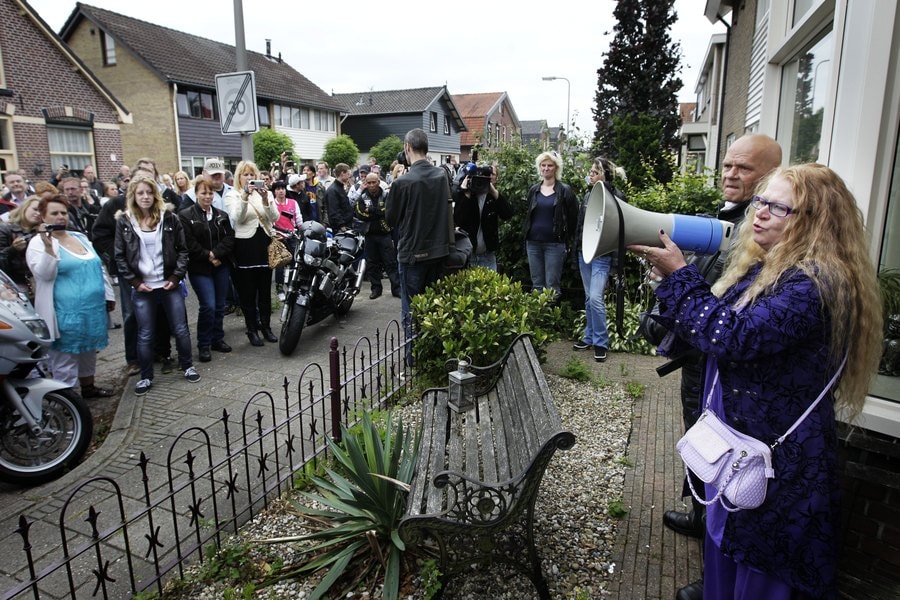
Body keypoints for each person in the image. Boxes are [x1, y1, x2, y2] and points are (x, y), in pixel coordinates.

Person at [631, 163, 882, 599]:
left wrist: (679, 277)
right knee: (730, 548)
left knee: (760, 567)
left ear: (815, 221)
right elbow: (707, 327)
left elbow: (731, 336)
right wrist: (671, 283)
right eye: (762, 202)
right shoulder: (767, 268)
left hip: (777, 468)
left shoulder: (814, 283)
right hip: (743, 450)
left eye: (779, 207)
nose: (760, 213)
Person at [640, 133, 782, 600]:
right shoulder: (724, 217)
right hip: (702, 355)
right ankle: (703, 517)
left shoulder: (763, 231)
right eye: (727, 165)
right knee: (701, 436)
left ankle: (714, 556)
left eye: (743, 169)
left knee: (722, 449)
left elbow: (730, 303)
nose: (730, 174)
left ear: (771, 178)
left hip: (722, 359)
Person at [114, 176, 199, 396]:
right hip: (143, 288)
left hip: (169, 284)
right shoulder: (125, 221)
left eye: (149, 192)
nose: (145, 197)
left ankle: (187, 365)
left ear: (155, 195)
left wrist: (176, 276)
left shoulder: (169, 218)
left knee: (180, 328)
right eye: (140, 193)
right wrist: (135, 282)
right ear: (133, 195)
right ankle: (146, 376)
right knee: (145, 333)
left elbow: (182, 250)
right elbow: (120, 256)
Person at [26, 195, 113, 398]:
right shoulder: (37, 243)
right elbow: (44, 275)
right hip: (64, 312)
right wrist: (49, 248)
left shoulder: (80, 237)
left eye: (63, 213)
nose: (60, 217)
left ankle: (89, 387)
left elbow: (97, 267)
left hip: (91, 309)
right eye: (54, 213)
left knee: (88, 351)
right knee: (66, 355)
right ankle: (66, 399)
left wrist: (109, 295)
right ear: (43, 217)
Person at [385, 128, 450, 360]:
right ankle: (433, 355)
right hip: (438, 251)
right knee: (434, 306)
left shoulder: (403, 182)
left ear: (407, 148)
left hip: (413, 253)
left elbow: (390, 219)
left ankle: (414, 359)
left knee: (411, 309)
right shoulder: (442, 176)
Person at [573, 158, 624, 363]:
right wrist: (576, 249)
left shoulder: (617, 197)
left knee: (595, 298)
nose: (590, 175)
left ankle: (601, 342)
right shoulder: (587, 195)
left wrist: (616, 263)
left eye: (595, 172)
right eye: (591, 171)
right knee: (589, 297)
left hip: (602, 254)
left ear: (604, 175)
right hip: (584, 253)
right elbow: (581, 225)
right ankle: (589, 337)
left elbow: (620, 232)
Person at [179, 178, 235, 363]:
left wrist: (216, 254)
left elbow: (229, 239)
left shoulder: (222, 215)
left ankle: (216, 338)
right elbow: (189, 243)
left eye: (210, 193)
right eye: (203, 193)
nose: (207, 196)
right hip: (200, 268)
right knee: (208, 305)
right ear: (196, 194)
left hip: (221, 265)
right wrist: (208, 256)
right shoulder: (186, 216)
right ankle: (203, 343)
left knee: (220, 306)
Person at [224, 160, 279, 347]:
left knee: (264, 291)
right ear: (239, 177)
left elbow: (274, 217)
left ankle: (266, 327)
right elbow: (237, 217)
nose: (249, 177)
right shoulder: (233, 195)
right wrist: (245, 196)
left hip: (264, 243)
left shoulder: (267, 193)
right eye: (245, 174)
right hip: (244, 246)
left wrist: (265, 200)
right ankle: (251, 329)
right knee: (248, 292)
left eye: (252, 174)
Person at [522, 150, 577, 300]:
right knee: (537, 285)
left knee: (552, 286)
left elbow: (573, 218)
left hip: (555, 244)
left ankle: (551, 320)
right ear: (539, 167)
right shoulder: (534, 190)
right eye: (543, 165)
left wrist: (566, 238)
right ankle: (538, 319)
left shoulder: (564, 190)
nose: (546, 168)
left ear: (556, 168)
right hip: (533, 243)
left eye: (549, 165)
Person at [453, 163, 512, 272]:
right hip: (468, 254)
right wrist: (466, 193)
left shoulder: (493, 197)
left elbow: (507, 214)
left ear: (495, 178)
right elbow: (458, 220)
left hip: (487, 255)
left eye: (491, 175)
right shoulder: (467, 195)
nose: (485, 178)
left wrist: (494, 192)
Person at [355, 172, 400, 299]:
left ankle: (396, 289)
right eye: (368, 183)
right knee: (372, 264)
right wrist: (378, 213)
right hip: (369, 235)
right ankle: (376, 289)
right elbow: (359, 213)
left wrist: (373, 212)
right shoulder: (362, 197)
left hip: (385, 234)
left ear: (378, 182)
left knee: (390, 262)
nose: (371, 185)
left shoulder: (386, 196)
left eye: (373, 182)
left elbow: (390, 211)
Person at [0, 196, 43, 296]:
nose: (38, 213)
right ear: (25, 207)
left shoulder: (41, 233)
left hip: (37, 285)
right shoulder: (5, 229)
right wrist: (12, 250)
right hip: (12, 287)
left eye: (42, 211)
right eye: (35, 209)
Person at [271, 180, 302, 300]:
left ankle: (291, 285)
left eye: (283, 188)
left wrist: (301, 230)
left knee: (294, 263)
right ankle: (279, 289)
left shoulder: (293, 203)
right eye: (278, 189)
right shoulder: (271, 204)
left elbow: (299, 219)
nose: (281, 191)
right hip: (278, 237)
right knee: (280, 264)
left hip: (292, 236)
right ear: (274, 191)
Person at [325, 163, 354, 232]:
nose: (349, 177)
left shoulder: (339, 188)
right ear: (342, 173)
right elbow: (334, 211)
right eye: (348, 174)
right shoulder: (333, 190)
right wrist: (341, 225)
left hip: (347, 225)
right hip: (341, 228)